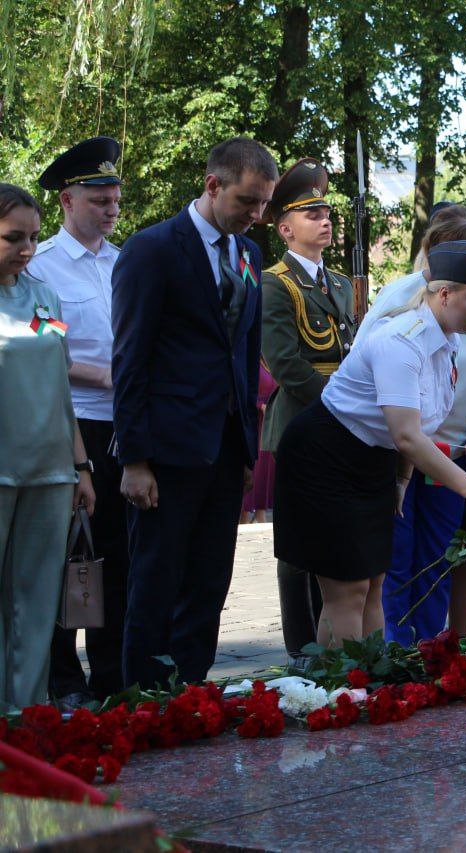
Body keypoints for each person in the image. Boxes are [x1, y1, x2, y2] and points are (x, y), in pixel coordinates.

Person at [274, 240, 466, 647]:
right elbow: (406, 433)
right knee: (347, 591)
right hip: (326, 456)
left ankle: (371, 686)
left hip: (372, 458)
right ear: (444, 294)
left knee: (373, 585)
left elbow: (414, 428)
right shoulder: (402, 342)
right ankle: (340, 695)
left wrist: (401, 480)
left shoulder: (446, 341)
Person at [113, 137, 276, 689]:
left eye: (263, 205)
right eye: (247, 202)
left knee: (210, 581)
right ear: (212, 185)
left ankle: (190, 692)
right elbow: (130, 359)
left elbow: (246, 353)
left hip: (226, 448)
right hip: (167, 447)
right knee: (157, 580)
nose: (256, 216)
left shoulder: (250, 255)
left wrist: (248, 450)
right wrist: (135, 458)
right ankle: (144, 696)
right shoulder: (153, 249)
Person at [367, 206, 466, 643]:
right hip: (398, 448)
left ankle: (430, 650)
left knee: (438, 559)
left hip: (454, 452)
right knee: (396, 556)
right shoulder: (400, 298)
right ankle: (395, 652)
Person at [27, 138, 125, 707]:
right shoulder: (42, 270)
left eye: (114, 198)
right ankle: (62, 680)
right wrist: (112, 375)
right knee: (70, 557)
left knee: (117, 556)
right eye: (97, 198)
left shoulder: (124, 261)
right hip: (75, 423)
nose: (110, 208)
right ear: (66, 200)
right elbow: (47, 347)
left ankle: (111, 677)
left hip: (124, 427)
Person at [0, 184, 96, 708]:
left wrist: (80, 466)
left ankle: (26, 715)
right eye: (13, 238)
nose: (27, 250)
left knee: (36, 604)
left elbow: (62, 387)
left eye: (33, 238)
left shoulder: (45, 298)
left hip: (50, 472)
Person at [258, 158, 357, 664]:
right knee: (298, 544)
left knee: (335, 534)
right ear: (285, 227)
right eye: (311, 212)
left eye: (327, 212)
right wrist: (344, 399)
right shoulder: (275, 282)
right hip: (301, 421)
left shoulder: (339, 283)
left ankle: (335, 634)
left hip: (340, 425)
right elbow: (285, 363)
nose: (325, 220)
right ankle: (302, 646)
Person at [241, 362, 277, 524]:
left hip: (270, 420)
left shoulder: (270, 360)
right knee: (253, 466)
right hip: (254, 420)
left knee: (264, 470)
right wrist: (259, 404)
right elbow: (243, 386)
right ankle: (243, 515)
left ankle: (260, 513)